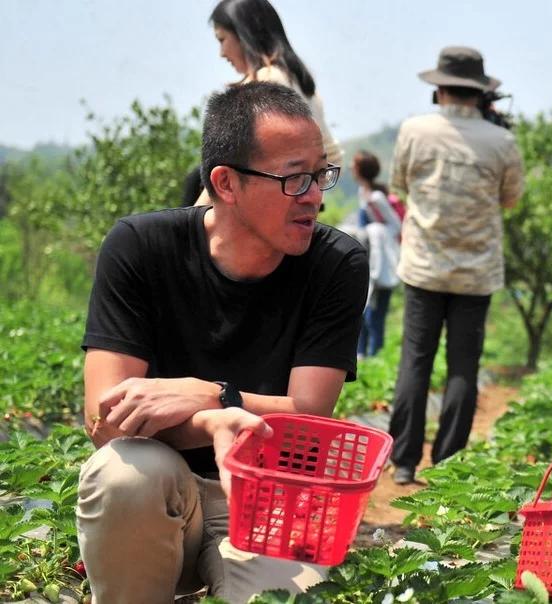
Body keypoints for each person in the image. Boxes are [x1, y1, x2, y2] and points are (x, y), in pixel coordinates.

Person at [76, 82, 368, 604]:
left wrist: (211, 393)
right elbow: (105, 422)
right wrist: (212, 420)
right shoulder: (140, 248)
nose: (316, 197)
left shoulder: (335, 264)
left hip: (272, 503)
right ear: (226, 184)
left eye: (320, 174)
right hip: (163, 500)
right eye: (295, 178)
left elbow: (308, 414)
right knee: (126, 475)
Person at [386, 46, 524, 485]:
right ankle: (447, 463)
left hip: (424, 266)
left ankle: (404, 461)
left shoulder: (414, 130)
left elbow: (400, 184)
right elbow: (510, 198)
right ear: (481, 93)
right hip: (475, 271)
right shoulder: (501, 141)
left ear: (439, 89)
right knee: (463, 365)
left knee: (415, 360)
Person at [189, 0, 343, 205]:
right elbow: (332, 157)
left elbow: (230, 165)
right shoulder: (304, 86)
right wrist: (306, 190)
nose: (222, 53)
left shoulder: (263, 85)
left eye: (222, 39)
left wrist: (193, 221)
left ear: (243, 35)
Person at [350, 150, 402, 358]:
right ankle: (362, 355)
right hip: (368, 256)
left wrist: (373, 232)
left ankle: (375, 356)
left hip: (380, 260)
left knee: (375, 314)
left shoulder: (377, 197)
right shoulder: (363, 193)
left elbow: (395, 226)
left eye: (355, 165)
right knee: (362, 310)